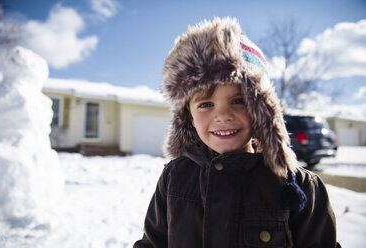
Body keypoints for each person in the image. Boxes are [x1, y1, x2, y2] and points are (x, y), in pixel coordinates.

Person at [134, 17, 341, 248]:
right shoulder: (174, 178)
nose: (223, 116)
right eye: (205, 104)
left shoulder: (299, 186)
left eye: (238, 100)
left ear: (262, 109)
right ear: (188, 117)